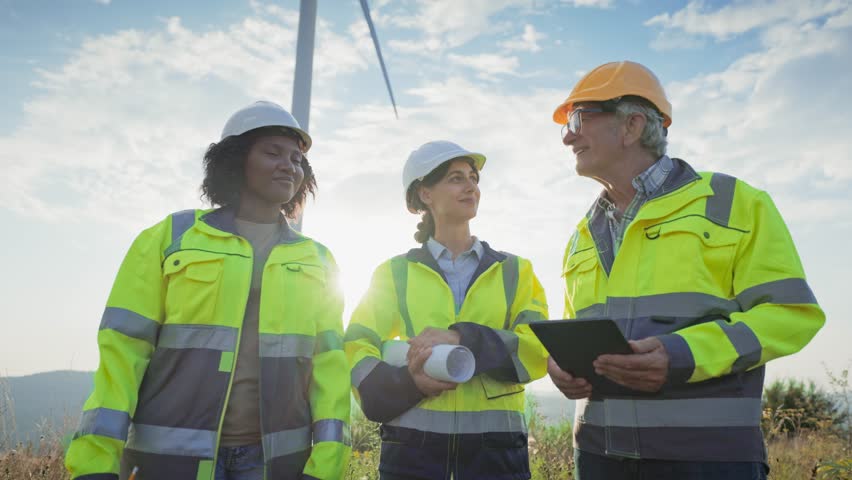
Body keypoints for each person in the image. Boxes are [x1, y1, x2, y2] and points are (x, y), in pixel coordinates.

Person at [546, 60, 825, 479]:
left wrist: (684, 355)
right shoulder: (581, 234)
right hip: (599, 458)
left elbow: (791, 315)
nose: (568, 136)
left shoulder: (735, 203)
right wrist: (561, 367)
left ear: (632, 125)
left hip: (708, 460)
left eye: (580, 118)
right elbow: (576, 332)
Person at [65, 101, 351, 480]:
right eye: (273, 152)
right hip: (169, 461)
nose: (289, 165)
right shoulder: (170, 238)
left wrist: (327, 467)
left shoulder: (318, 258)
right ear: (235, 160)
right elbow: (122, 353)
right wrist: (94, 463)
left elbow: (329, 367)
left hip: (275, 465)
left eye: (298, 159)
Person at [344, 141, 549, 479]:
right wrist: (409, 383)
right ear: (425, 193)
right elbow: (356, 345)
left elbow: (538, 347)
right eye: (456, 178)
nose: (471, 186)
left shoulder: (516, 271)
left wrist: (461, 338)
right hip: (412, 454)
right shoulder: (393, 273)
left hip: (496, 457)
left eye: (474, 178)